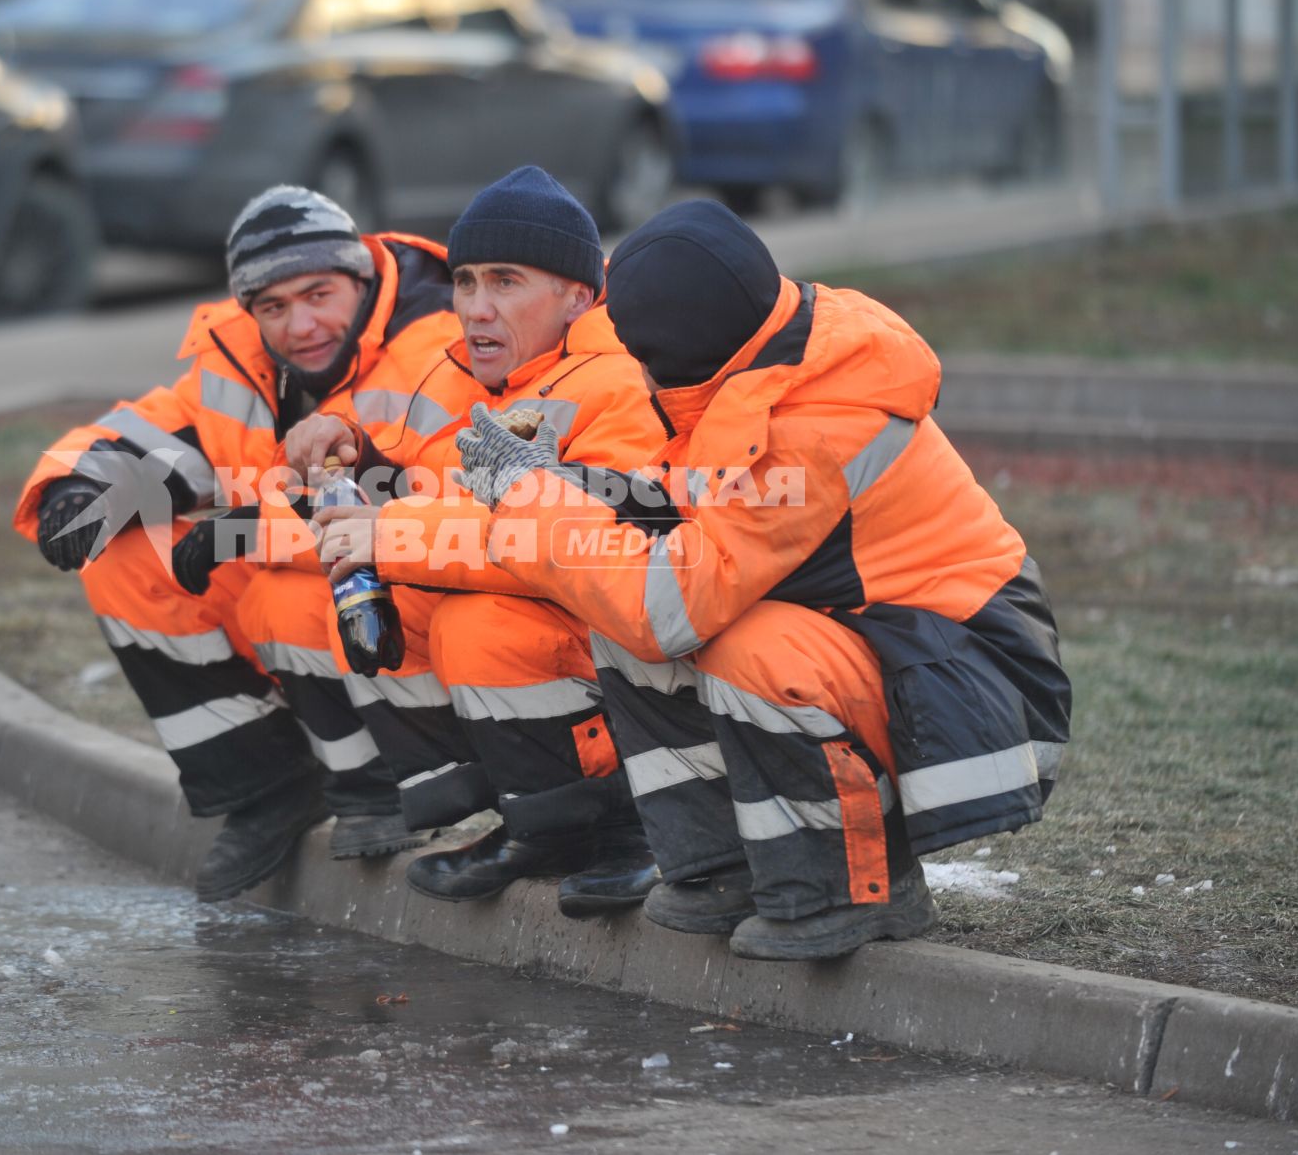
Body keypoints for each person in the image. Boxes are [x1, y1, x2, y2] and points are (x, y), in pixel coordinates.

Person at [452, 198, 1072, 959]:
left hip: (971, 685)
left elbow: (668, 605)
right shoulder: (768, 352)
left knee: (747, 647)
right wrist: (569, 482)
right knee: (640, 620)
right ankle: (726, 869)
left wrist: (526, 496)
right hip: (901, 654)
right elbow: (687, 499)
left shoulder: (814, 422)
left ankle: (857, 887)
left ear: (677, 354)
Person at [14, 187, 462, 902]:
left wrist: (239, 531)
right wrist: (79, 488)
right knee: (127, 560)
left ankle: (391, 782)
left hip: (440, 626)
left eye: (319, 293)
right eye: (274, 305)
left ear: (364, 279)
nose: (300, 324)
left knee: (291, 593)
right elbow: (164, 435)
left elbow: (408, 517)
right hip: (327, 615)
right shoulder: (242, 354)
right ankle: (270, 785)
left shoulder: (438, 345)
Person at [275, 167, 669, 915]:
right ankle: (537, 819)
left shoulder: (616, 381)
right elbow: (435, 498)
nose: (476, 308)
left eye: (506, 282)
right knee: (371, 602)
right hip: (573, 629)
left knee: (479, 622)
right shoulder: (488, 377)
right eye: (463, 281)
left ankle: (625, 825)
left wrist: (385, 533)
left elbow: (568, 548)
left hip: (642, 648)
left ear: (578, 296)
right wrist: (360, 456)